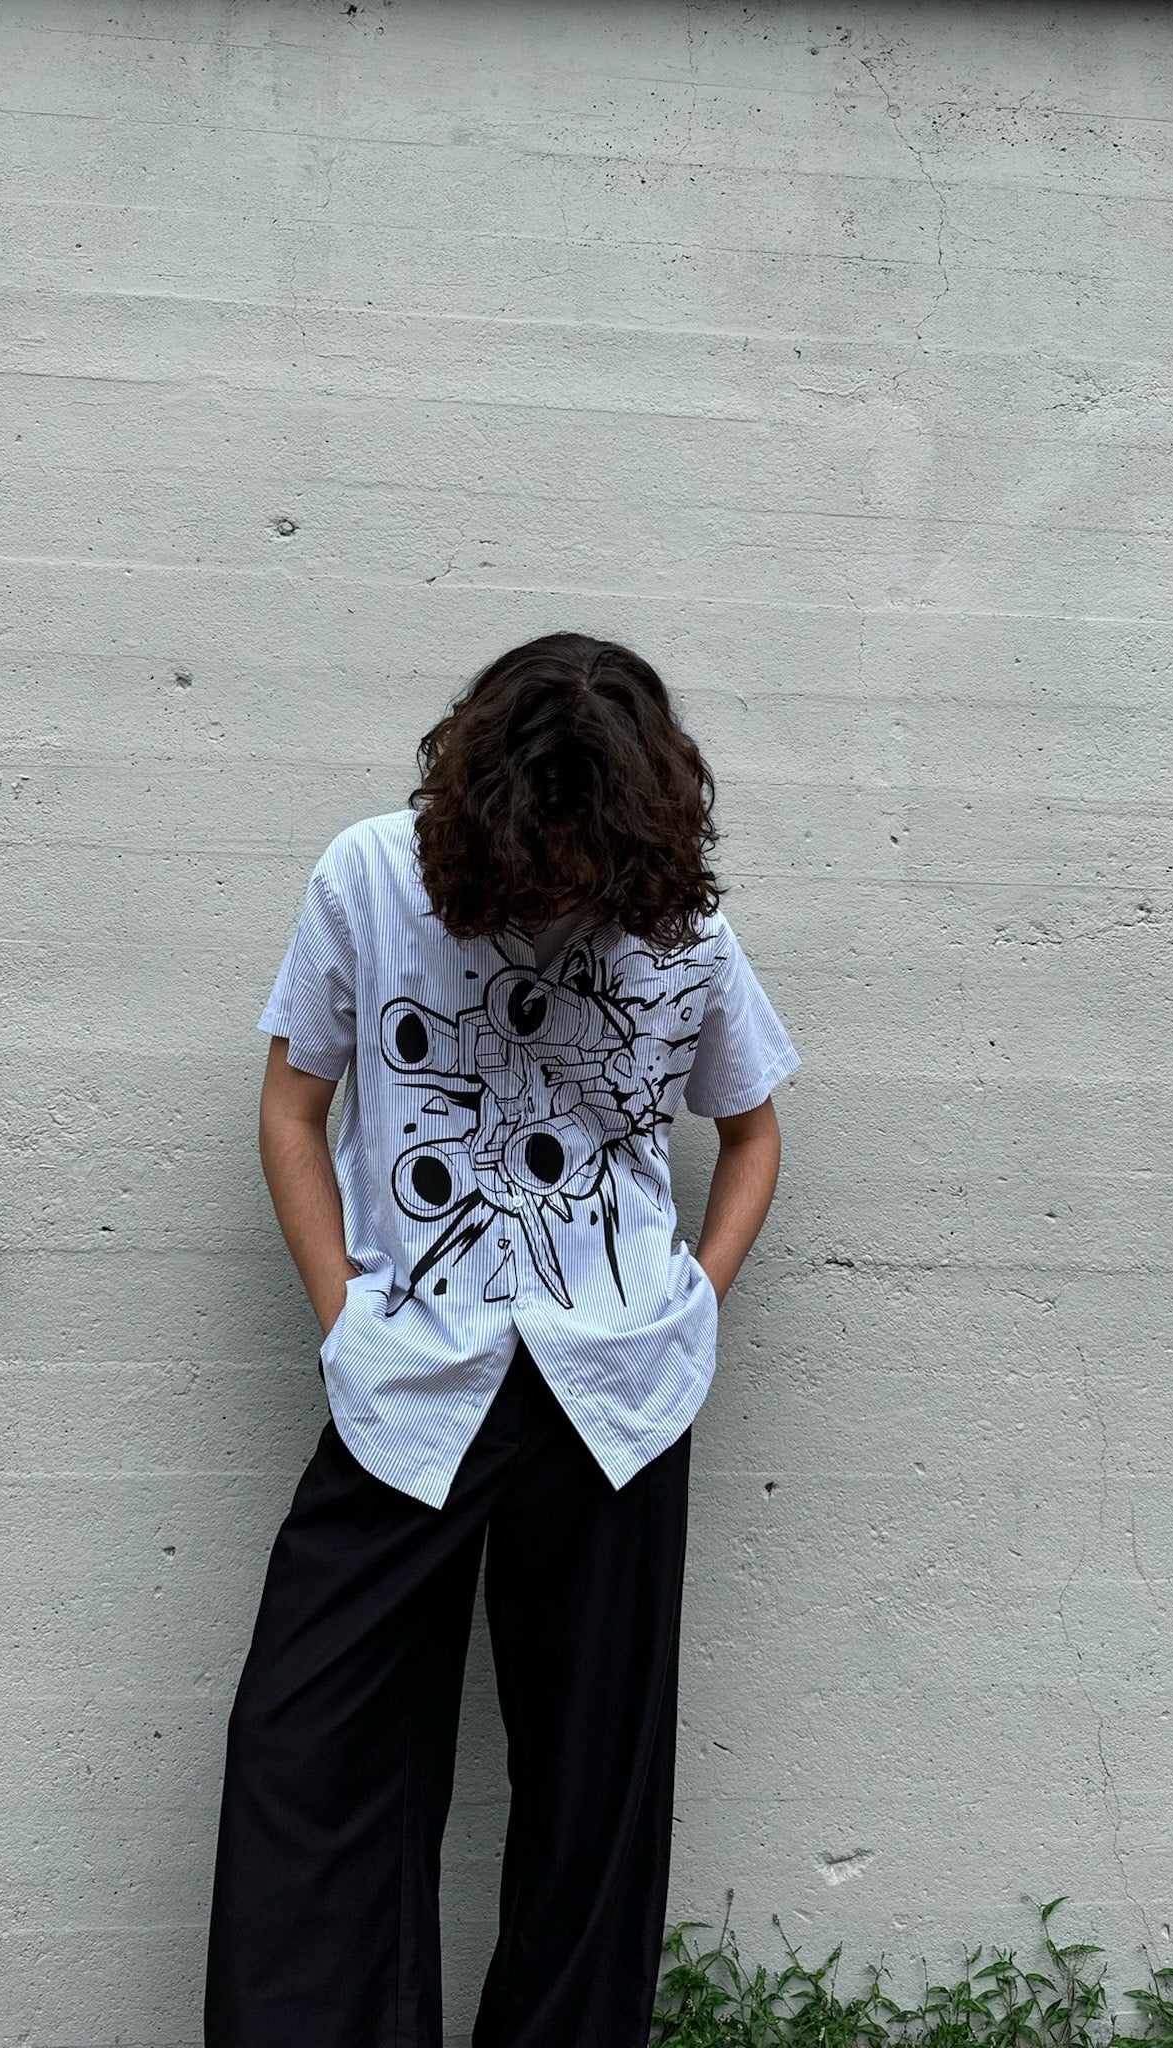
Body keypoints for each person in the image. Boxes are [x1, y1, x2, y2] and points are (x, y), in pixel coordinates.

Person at [203, 631, 800, 2048]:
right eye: (541, 858)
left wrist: (692, 1306)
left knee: (595, 1793)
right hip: (415, 1378)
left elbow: (755, 1131)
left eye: (590, 862)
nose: (561, 889)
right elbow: (293, 1110)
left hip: (615, 1397)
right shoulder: (370, 877)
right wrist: (345, 1316)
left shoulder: (681, 928)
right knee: (311, 1748)